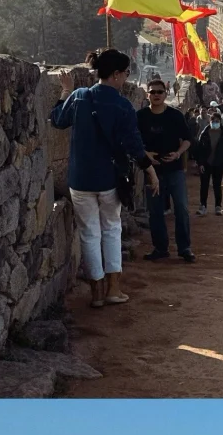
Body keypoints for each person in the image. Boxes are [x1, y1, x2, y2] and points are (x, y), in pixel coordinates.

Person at [49, 50, 158, 310]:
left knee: (88, 233)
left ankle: (96, 292)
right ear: (117, 74)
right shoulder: (123, 106)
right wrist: (150, 170)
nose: (126, 78)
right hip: (109, 178)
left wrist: (66, 90)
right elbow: (134, 145)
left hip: (80, 179)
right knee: (111, 229)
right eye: (126, 73)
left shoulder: (79, 97)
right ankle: (114, 289)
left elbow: (57, 120)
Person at [137, 78, 195, 263]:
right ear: (147, 95)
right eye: (152, 92)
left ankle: (184, 248)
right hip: (152, 171)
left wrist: (178, 154)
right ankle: (160, 248)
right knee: (155, 212)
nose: (156, 95)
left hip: (174, 170)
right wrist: (146, 154)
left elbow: (187, 139)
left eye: (159, 92)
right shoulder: (140, 117)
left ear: (166, 94)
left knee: (182, 208)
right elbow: (132, 141)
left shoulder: (175, 116)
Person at [194, 107, 223, 215]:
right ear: (210, 121)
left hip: (218, 164)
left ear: (220, 122)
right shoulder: (204, 134)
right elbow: (199, 150)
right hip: (206, 164)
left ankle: (218, 206)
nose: (215, 123)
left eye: (217, 121)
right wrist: (200, 163)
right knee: (204, 186)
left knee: (217, 185)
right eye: (213, 121)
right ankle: (203, 206)